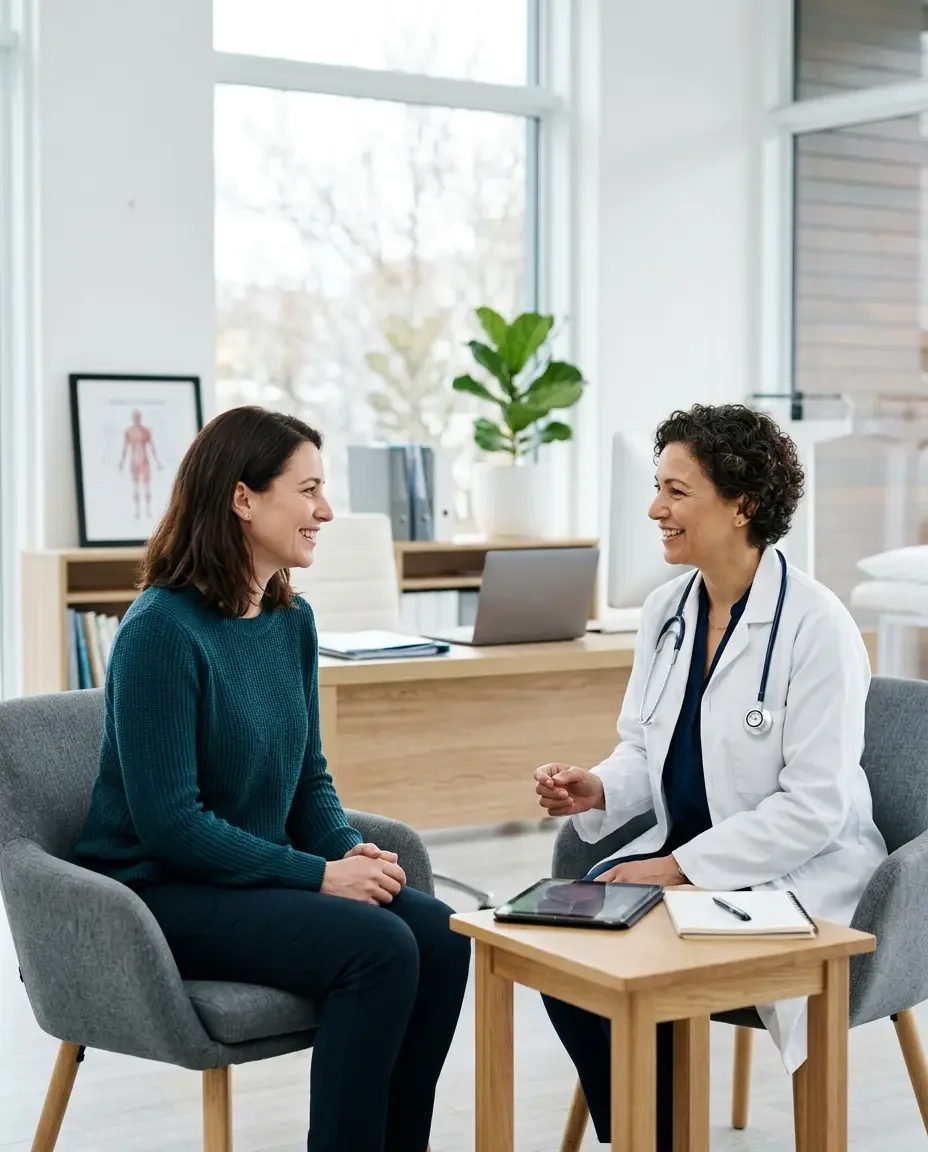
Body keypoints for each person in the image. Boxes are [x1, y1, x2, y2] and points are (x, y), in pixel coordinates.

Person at [74, 406, 471, 1152]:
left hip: (244, 880)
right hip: (159, 892)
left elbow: (307, 778)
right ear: (242, 497)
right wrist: (318, 877)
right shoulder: (161, 630)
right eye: (309, 489)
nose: (325, 512)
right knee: (379, 949)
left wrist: (348, 850)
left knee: (443, 936)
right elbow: (172, 824)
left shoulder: (291, 620)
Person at [533, 403, 887, 1149]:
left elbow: (814, 810)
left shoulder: (817, 629)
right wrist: (598, 786)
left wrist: (675, 868)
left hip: (792, 875)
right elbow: (644, 747)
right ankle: (650, 1137)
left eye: (677, 491)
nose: (655, 509)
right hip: (685, 856)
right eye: (657, 487)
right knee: (565, 963)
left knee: (638, 970)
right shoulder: (667, 611)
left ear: (743, 506)